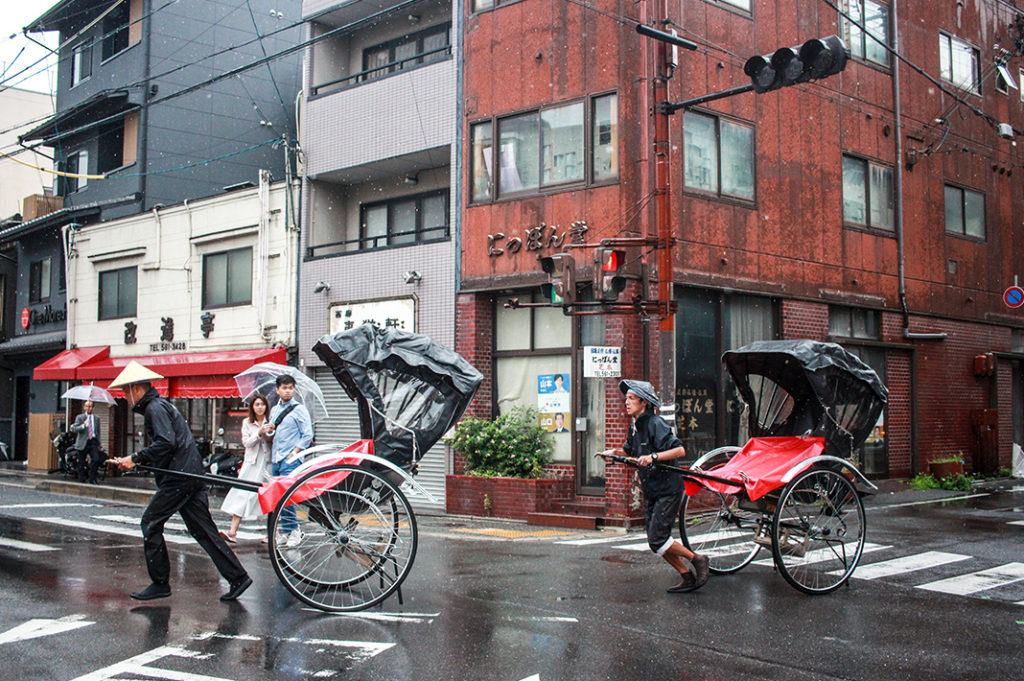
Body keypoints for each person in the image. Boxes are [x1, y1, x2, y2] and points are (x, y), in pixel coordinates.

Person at [108, 361, 252, 602]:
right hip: (188, 474)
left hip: (180, 478)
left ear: (137, 389)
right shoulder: (159, 406)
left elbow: (166, 443)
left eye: (126, 391)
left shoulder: (155, 407)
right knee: (203, 530)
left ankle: (160, 583)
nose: (126, 396)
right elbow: (166, 447)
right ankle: (238, 577)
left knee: (150, 523)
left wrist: (135, 458)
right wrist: (136, 461)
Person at [599, 379, 709, 593]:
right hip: (652, 490)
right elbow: (631, 453)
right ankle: (686, 576)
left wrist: (654, 456)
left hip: (668, 488)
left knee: (658, 537)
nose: (626, 402)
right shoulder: (635, 427)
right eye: (626, 398)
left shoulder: (655, 424)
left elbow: (679, 451)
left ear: (644, 402)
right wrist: (613, 453)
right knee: (655, 542)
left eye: (631, 398)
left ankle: (697, 559)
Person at [267, 373, 313, 548]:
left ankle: (294, 530)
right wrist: (269, 430)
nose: (288, 391)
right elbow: (274, 434)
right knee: (279, 497)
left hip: (290, 459)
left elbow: (308, 434)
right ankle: (286, 531)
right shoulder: (275, 410)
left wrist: (295, 452)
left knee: (288, 496)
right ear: (277, 390)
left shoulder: (299, 409)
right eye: (284, 388)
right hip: (277, 457)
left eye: (290, 388)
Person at [219, 394, 273, 543]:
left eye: (262, 404)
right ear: (252, 407)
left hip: (267, 462)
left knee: (268, 496)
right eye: (257, 404)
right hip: (252, 463)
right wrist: (259, 433)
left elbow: (275, 441)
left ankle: (272, 532)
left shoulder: (272, 421)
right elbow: (247, 443)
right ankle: (232, 531)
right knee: (242, 493)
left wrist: (270, 433)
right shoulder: (247, 423)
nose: (260, 407)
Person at [71, 400, 102, 484]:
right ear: (84, 407)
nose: (89, 408)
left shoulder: (97, 418)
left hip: (93, 441)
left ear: (93, 407)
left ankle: (93, 479)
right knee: (81, 462)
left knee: (95, 460)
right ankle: (82, 479)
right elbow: (73, 429)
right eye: (87, 406)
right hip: (83, 442)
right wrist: (83, 426)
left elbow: (98, 431)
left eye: (91, 406)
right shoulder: (80, 417)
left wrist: (99, 442)